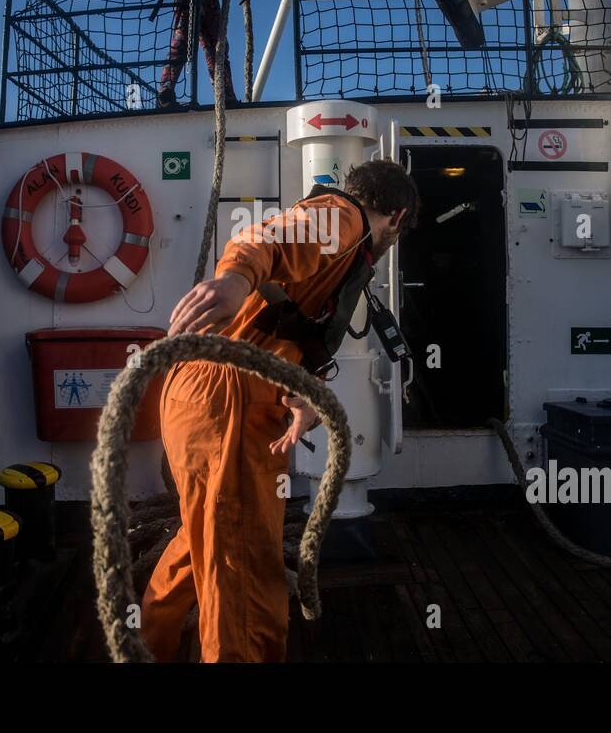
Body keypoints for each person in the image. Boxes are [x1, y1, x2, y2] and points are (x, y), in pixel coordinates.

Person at [141, 159, 420, 662]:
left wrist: (305, 397)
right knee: (245, 573)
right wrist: (234, 280)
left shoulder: (338, 243)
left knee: (204, 537)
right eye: (399, 233)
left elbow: (293, 325)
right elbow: (267, 239)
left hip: (209, 393)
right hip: (230, 397)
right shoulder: (346, 218)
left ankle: (148, 648)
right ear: (396, 218)